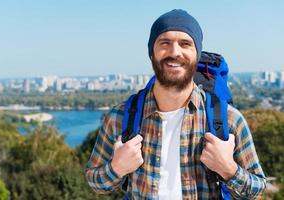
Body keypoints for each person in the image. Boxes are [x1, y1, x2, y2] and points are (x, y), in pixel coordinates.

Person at [85, 9, 266, 199]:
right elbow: (95, 182)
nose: (174, 52)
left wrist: (228, 169)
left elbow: (257, 190)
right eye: (165, 43)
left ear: (196, 54)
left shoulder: (229, 120)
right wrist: (117, 168)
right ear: (151, 53)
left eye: (185, 44)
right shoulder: (120, 117)